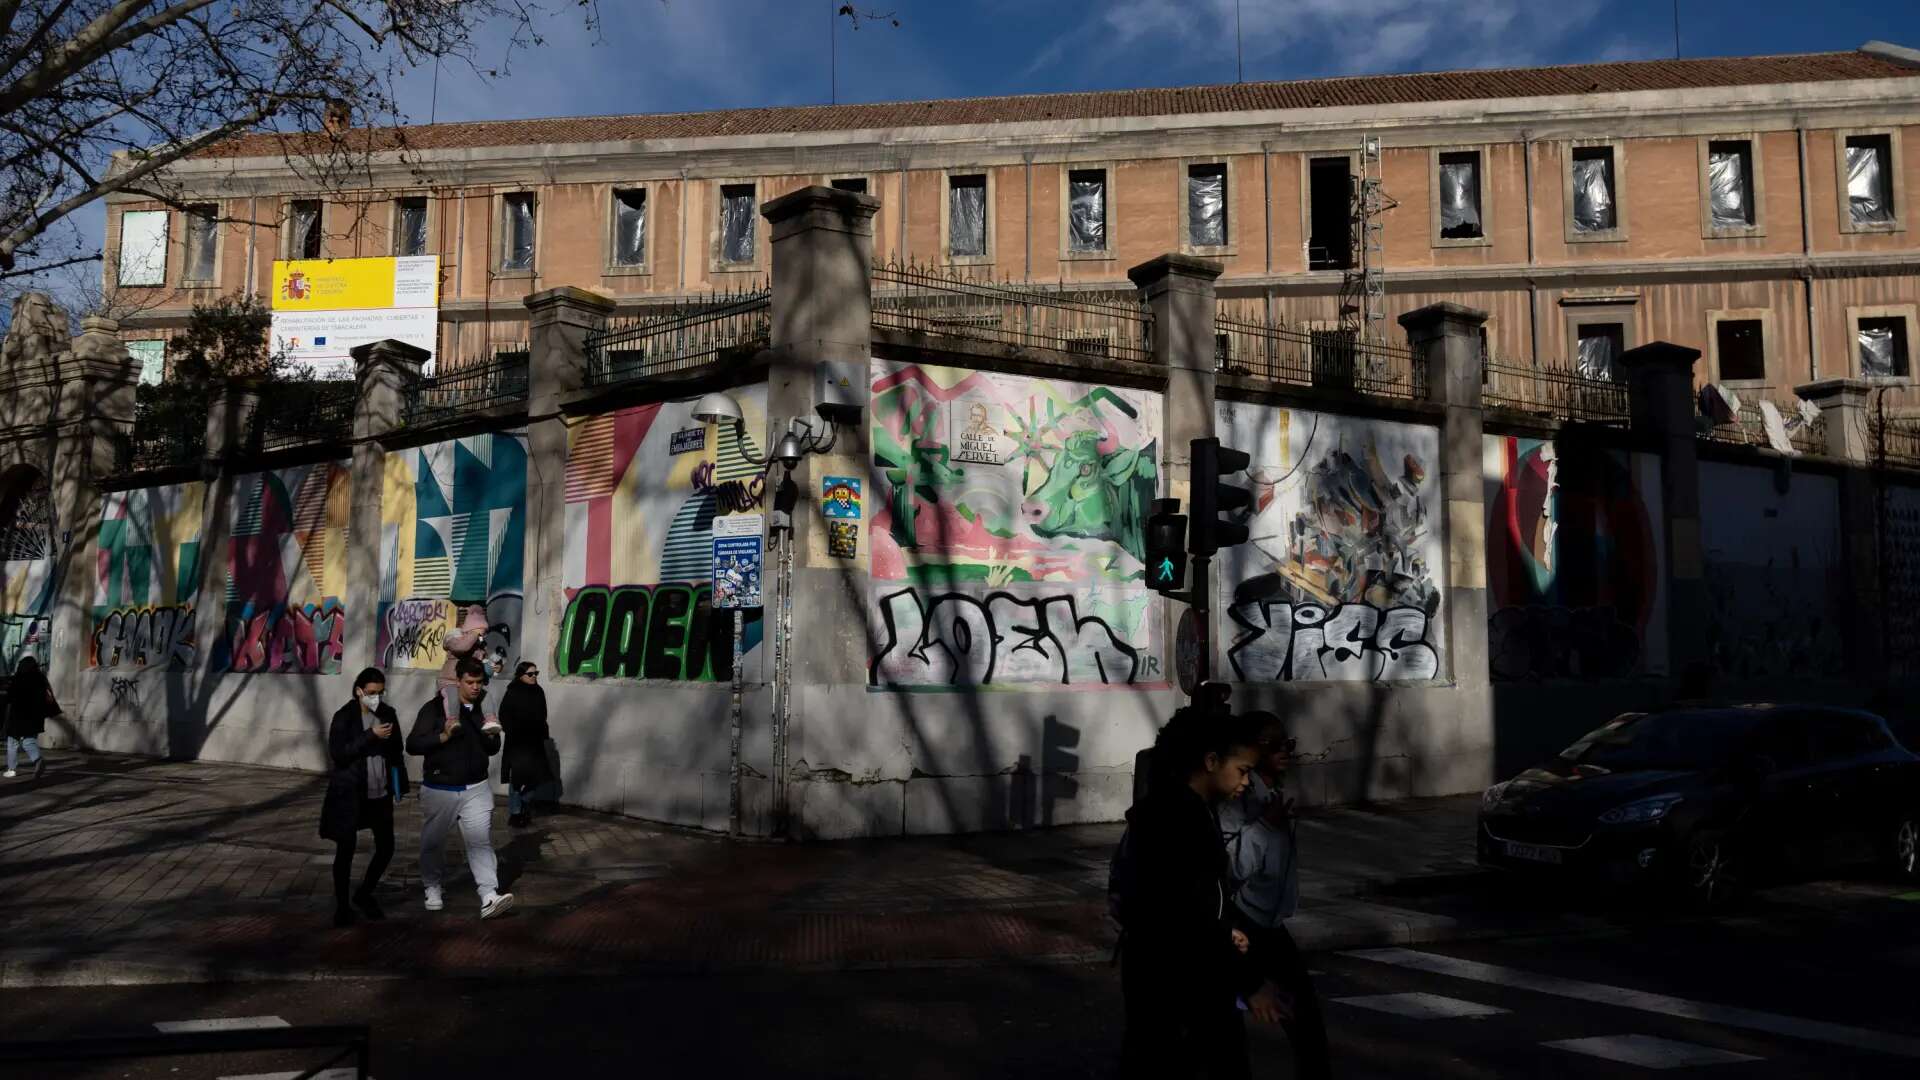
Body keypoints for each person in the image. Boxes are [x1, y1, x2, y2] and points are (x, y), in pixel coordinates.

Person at [1117, 706, 1289, 1079]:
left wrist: (1224, 928)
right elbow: (1188, 914)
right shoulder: (1184, 821)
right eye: (1242, 770)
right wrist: (1250, 982)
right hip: (1182, 983)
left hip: (1161, 972)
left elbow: (1174, 902)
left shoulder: (1172, 808)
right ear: (1211, 761)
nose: (1246, 782)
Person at [1216, 711, 1331, 1080]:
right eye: (1273, 744)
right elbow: (1230, 870)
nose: (1285, 751)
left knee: (1306, 1021)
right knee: (1222, 1030)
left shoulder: (1272, 794)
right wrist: (1265, 826)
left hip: (1268, 922)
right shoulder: (1238, 798)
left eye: (1288, 743)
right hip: (1242, 922)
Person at [408, 656, 515, 919]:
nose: (476, 687)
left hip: (476, 787)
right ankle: (432, 887)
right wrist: (443, 736)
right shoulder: (434, 708)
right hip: (440, 787)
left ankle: (489, 895)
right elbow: (413, 744)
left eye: (479, 682)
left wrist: (490, 736)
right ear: (458, 681)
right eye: (470, 682)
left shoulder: (483, 709)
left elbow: (492, 749)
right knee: (433, 843)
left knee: (480, 842)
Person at [320, 668, 409, 927]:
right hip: (350, 792)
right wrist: (371, 735)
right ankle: (342, 906)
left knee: (386, 846)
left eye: (381, 693)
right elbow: (339, 754)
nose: (376, 698)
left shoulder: (387, 713)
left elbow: (397, 749)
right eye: (371, 693)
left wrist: (399, 782)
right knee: (346, 849)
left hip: (379, 791)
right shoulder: (344, 717)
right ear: (359, 691)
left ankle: (364, 893)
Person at [499, 661, 553, 828]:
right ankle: (516, 813)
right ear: (521, 675)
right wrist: (512, 730)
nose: (534, 676)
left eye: (536, 673)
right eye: (530, 674)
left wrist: (542, 731)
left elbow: (543, 713)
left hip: (534, 742)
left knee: (537, 777)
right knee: (517, 778)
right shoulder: (513, 691)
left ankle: (523, 802)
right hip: (517, 743)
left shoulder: (538, 691)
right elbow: (504, 714)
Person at [4, 655, 56, 780]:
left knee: (12, 741)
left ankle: (12, 768)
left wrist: (6, 718)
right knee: (29, 740)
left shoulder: (18, 678)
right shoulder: (40, 678)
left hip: (18, 716)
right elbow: (48, 696)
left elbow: (10, 699)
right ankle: (38, 760)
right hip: (35, 717)